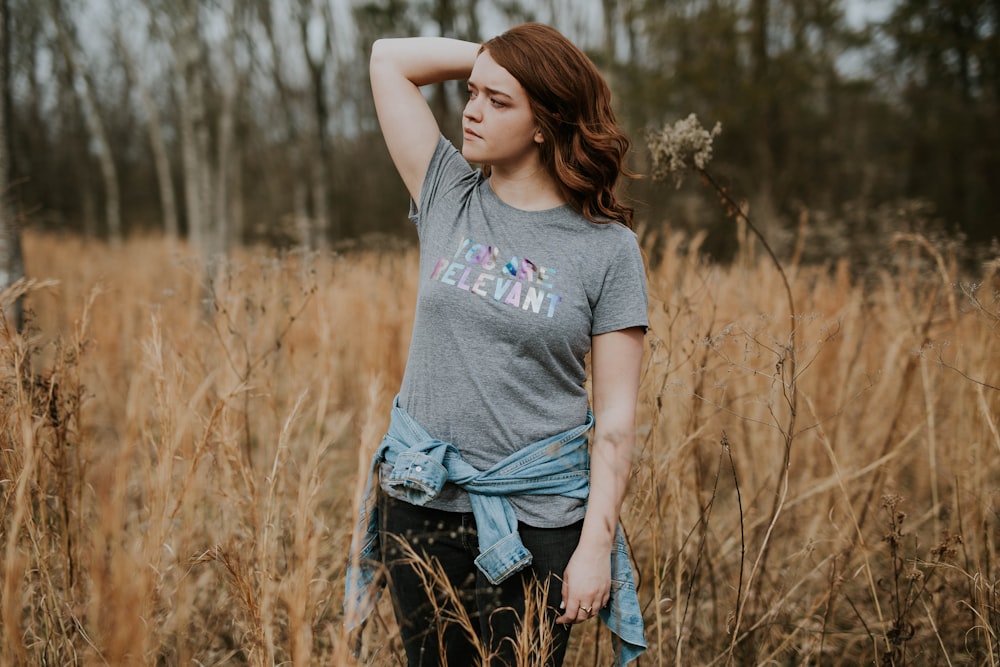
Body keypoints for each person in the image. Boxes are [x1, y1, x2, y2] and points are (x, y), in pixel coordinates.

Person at [346, 22, 648, 667]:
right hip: (422, 498)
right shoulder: (447, 193)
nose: (472, 111)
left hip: (539, 522)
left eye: (499, 100)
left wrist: (594, 547)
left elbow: (617, 422)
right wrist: (496, 60)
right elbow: (388, 57)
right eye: (473, 92)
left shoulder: (607, 248)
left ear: (546, 123)